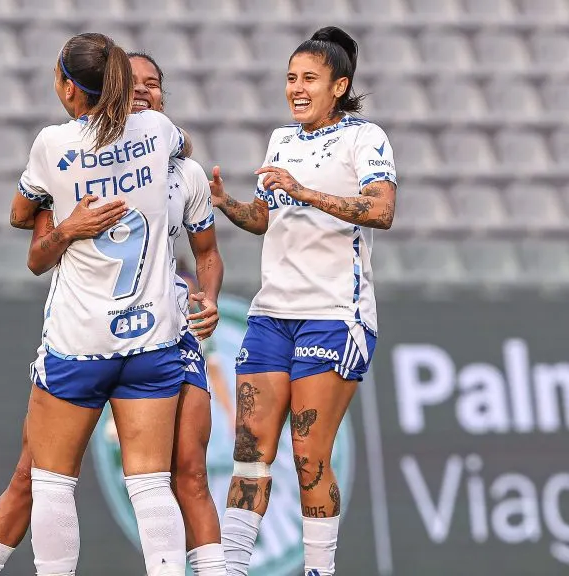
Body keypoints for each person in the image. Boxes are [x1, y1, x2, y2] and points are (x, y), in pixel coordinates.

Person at [0, 50, 226, 576]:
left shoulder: (54, 147)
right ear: (114, 88)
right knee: (147, 483)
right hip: (149, 341)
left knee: (55, 481)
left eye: (154, 83)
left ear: (66, 87)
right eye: (134, 83)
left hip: (85, 340)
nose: (145, 92)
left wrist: (70, 219)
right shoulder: (158, 132)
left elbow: (20, 215)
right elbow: (38, 250)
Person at [210, 26, 397, 576]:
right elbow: (267, 218)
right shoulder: (281, 139)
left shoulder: (366, 139)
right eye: (291, 78)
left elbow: (382, 210)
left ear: (338, 86)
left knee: (309, 455)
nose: (296, 88)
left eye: (309, 79)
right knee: (248, 452)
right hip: (272, 314)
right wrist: (228, 205)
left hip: (334, 316)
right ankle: (233, 568)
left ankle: (318, 569)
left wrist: (305, 191)